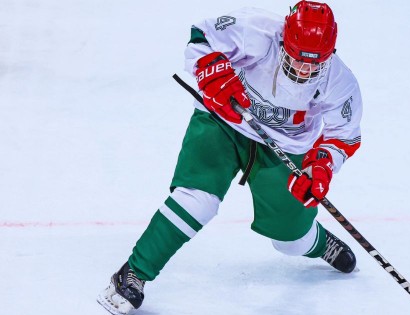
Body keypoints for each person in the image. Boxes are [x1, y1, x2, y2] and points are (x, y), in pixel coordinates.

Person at [97, 1, 363, 314]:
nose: (304, 69)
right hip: (222, 121)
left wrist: (321, 168)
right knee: (196, 200)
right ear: (285, 38)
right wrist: (212, 68)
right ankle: (133, 274)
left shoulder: (341, 83)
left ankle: (318, 242)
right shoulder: (256, 28)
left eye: (314, 62)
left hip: (287, 146)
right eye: (297, 57)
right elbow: (201, 37)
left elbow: (342, 137)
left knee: (291, 241)